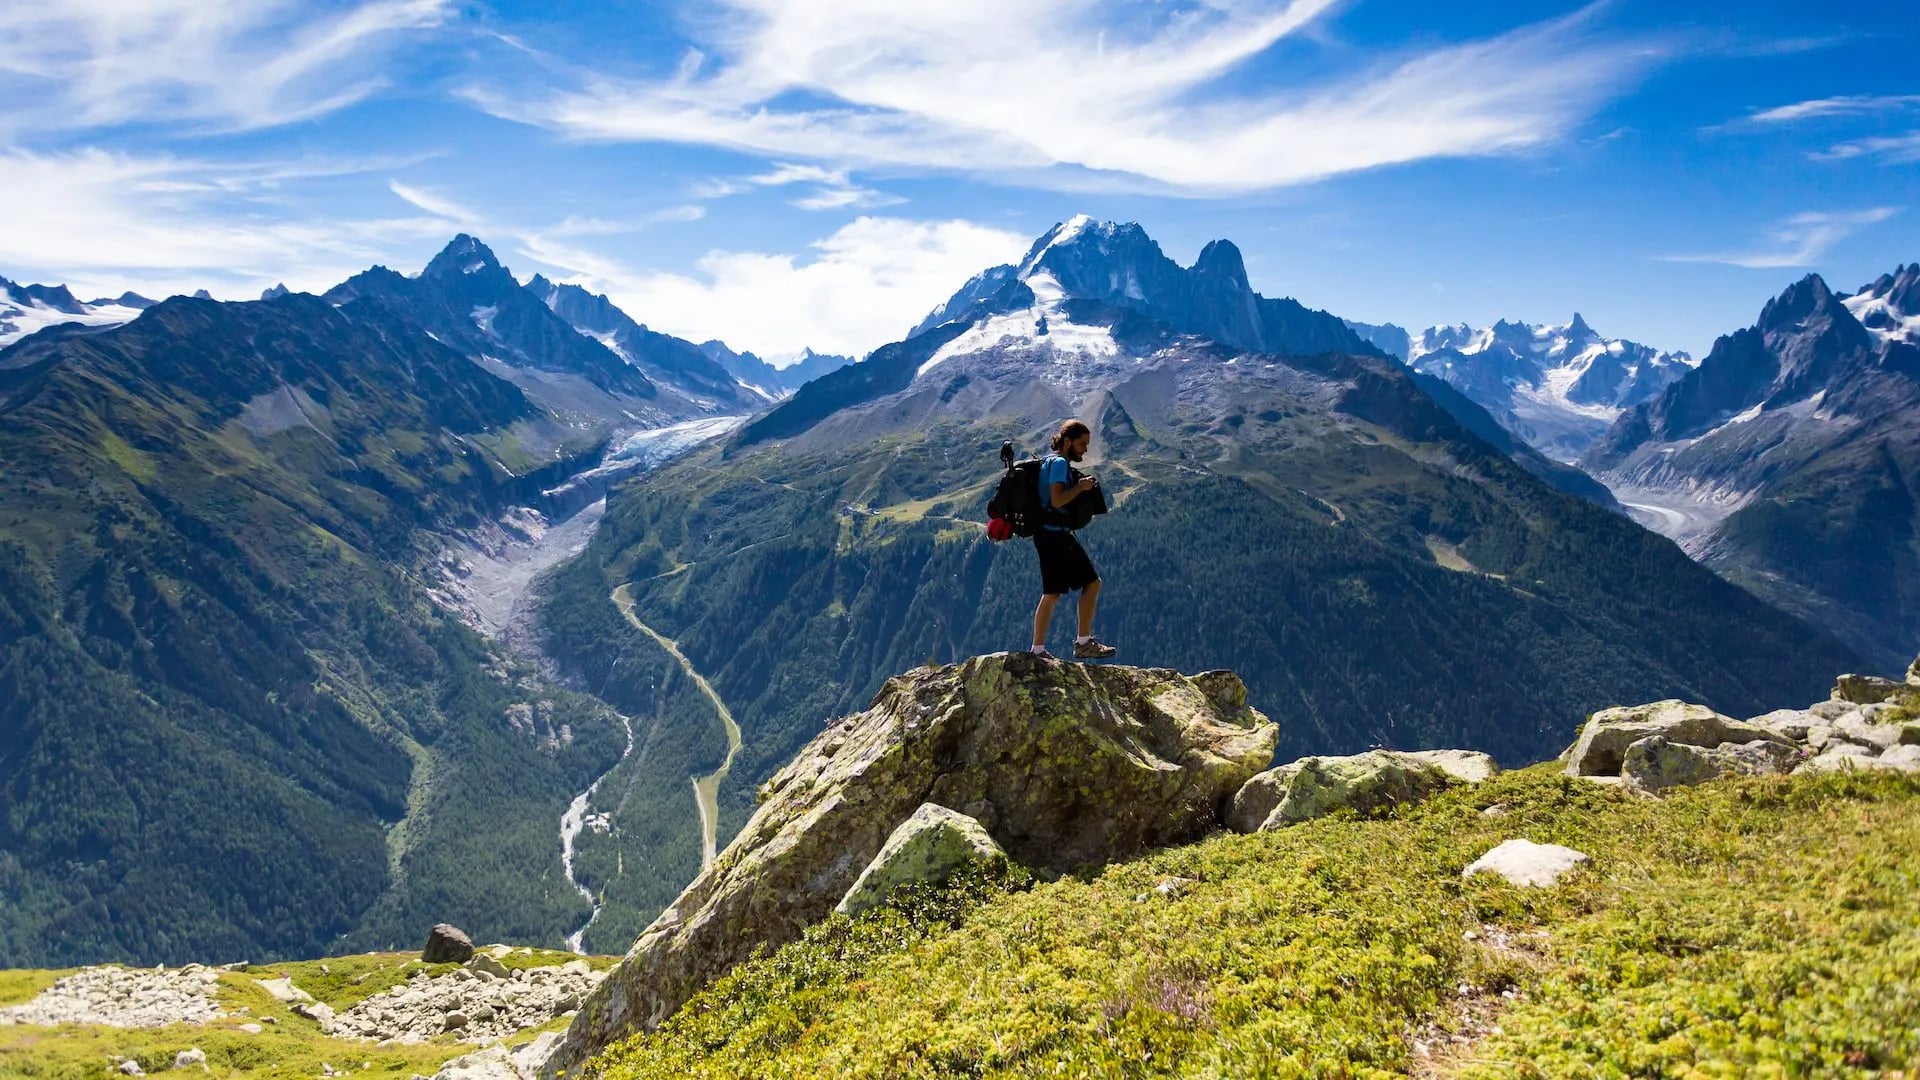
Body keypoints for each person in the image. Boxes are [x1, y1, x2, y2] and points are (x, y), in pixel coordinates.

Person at [1030, 419, 1116, 660]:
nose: (1085, 449)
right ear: (1067, 441)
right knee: (1092, 582)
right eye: (1081, 444)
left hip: (1047, 534)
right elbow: (1057, 500)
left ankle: (1037, 650)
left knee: (1052, 592)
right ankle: (1083, 642)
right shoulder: (1058, 464)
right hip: (1056, 535)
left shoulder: (1049, 462)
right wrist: (1080, 487)